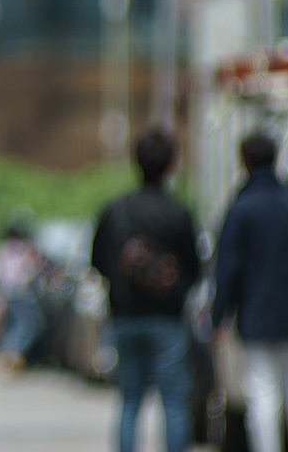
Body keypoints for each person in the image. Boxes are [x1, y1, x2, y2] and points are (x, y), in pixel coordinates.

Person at [211, 133, 288, 452]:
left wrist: (218, 316)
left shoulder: (241, 209)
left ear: (244, 162)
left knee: (262, 393)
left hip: (256, 313)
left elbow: (228, 268)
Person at [90, 127, 200, 452]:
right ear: (171, 164)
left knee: (129, 401)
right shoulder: (178, 212)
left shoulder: (115, 210)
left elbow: (97, 262)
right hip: (168, 319)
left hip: (124, 318)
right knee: (175, 401)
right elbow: (195, 268)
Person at [0, 220, 46, 372]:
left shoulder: (2, 249)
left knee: (12, 324)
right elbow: (31, 270)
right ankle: (14, 352)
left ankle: (5, 352)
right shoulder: (25, 250)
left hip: (7, 293)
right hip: (21, 292)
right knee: (29, 324)